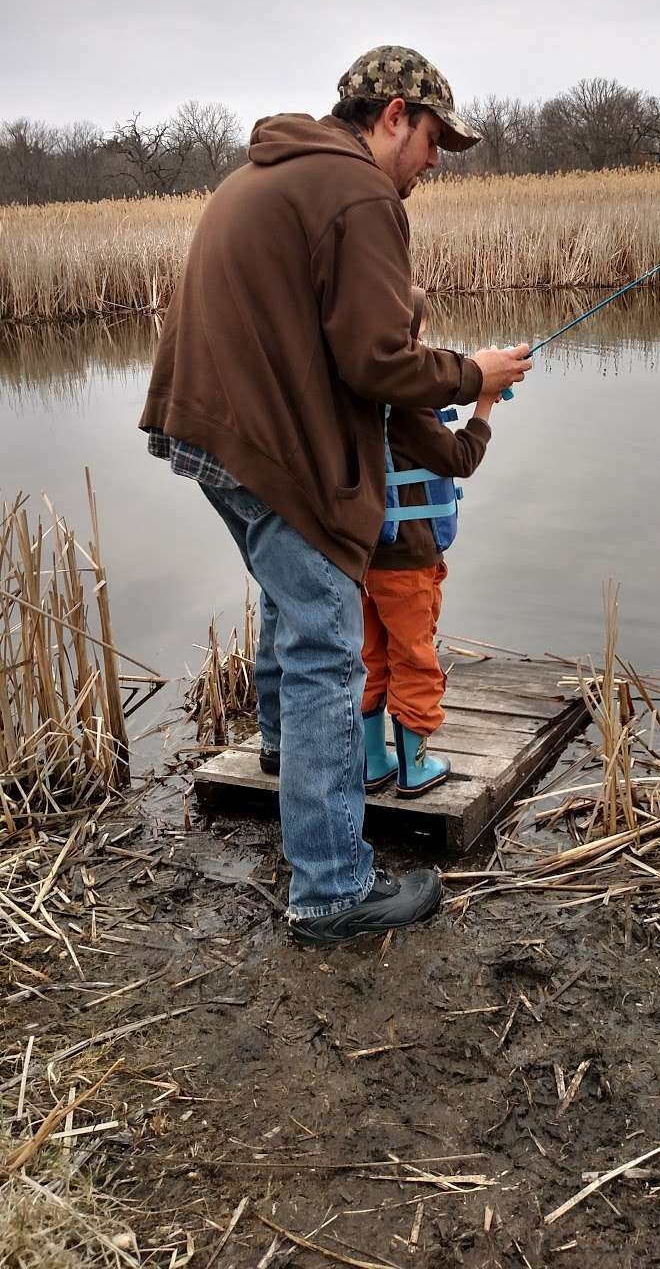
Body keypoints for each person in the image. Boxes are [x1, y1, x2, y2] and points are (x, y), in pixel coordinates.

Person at [138, 46, 532, 947]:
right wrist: (472, 373)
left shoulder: (274, 171)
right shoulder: (358, 194)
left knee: (294, 604)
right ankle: (332, 890)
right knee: (326, 649)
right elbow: (376, 361)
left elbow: (340, 355)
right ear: (395, 114)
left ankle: (286, 757)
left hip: (209, 432)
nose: (436, 162)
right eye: (435, 139)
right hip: (270, 446)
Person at [361, 289, 496, 797]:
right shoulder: (409, 409)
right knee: (414, 655)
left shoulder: (359, 394)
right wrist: (484, 406)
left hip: (363, 557)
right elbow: (460, 458)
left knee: (371, 655)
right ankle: (415, 768)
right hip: (409, 561)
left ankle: (375, 763)